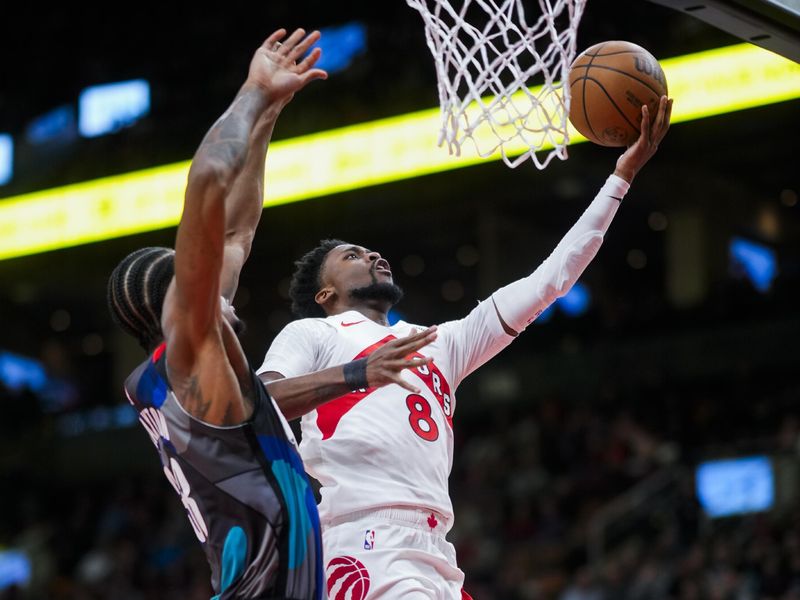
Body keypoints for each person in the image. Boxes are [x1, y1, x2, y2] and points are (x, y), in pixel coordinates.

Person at [257, 96, 674, 598]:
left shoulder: (441, 342)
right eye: (352, 255)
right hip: (363, 542)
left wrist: (621, 179)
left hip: (435, 550)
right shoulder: (316, 334)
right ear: (326, 294)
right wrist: (355, 374)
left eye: (369, 249)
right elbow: (257, 408)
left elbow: (550, 281)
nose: (372, 254)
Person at [107, 28, 437, 599]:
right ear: (177, 305)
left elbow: (236, 232)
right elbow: (209, 180)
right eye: (200, 280)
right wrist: (253, 93)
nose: (219, 281)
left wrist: (269, 118)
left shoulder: (179, 365)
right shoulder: (192, 359)